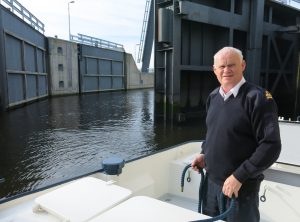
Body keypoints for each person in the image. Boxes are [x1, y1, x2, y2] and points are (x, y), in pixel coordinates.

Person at [191, 46, 281, 222]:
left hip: (241, 188)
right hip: (211, 184)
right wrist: (204, 153)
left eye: (231, 65)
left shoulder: (258, 98)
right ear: (214, 69)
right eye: (221, 66)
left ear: (243, 65)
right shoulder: (213, 97)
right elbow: (212, 132)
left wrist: (239, 176)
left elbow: (271, 145)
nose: (226, 70)